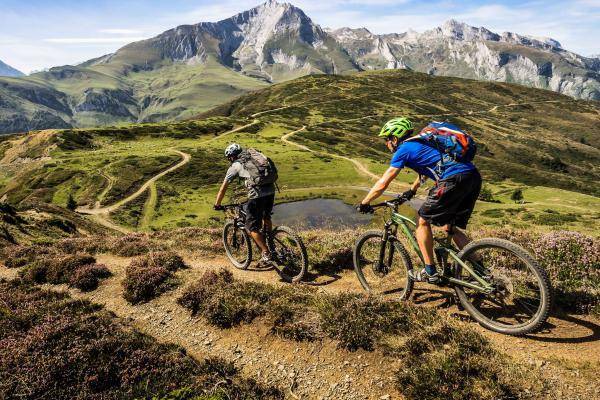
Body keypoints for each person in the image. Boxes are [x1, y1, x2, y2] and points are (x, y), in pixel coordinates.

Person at [358, 117, 481, 283]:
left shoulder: (404, 149)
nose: (386, 144)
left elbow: (384, 182)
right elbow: (425, 169)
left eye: (387, 139)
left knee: (422, 221)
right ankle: (482, 271)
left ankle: (430, 272)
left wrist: (365, 203)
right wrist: (412, 190)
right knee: (449, 226)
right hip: (472, 177)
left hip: (453, 179)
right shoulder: (424, 142)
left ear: (395, 138)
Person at [214, 143, 277, 264]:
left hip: (256, 194)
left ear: (231, 157)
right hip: (271, 189)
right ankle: (270, 240)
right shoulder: (253, 155)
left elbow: (223, 188)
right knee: (266, 216)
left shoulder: (235, 166)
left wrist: (217, 204)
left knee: (251, 227)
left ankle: (266, 253)